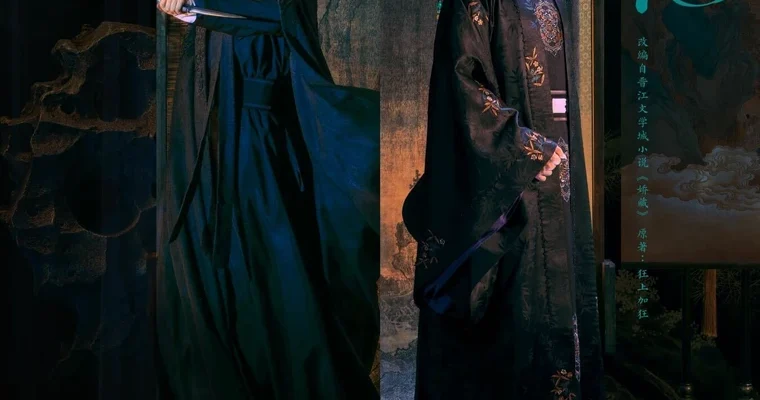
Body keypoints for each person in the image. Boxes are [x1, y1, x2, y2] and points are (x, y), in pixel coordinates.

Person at [155, 0, 380, 398]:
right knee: (206, 271)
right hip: (203, 126)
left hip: (256, 129)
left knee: (271, 264)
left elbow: (284, 13)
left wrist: (199, 4)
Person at [402, 0, 604, 398]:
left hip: (558, 181)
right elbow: (461, 84)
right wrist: (525, 148)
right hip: (510, 195)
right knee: (508, 328)